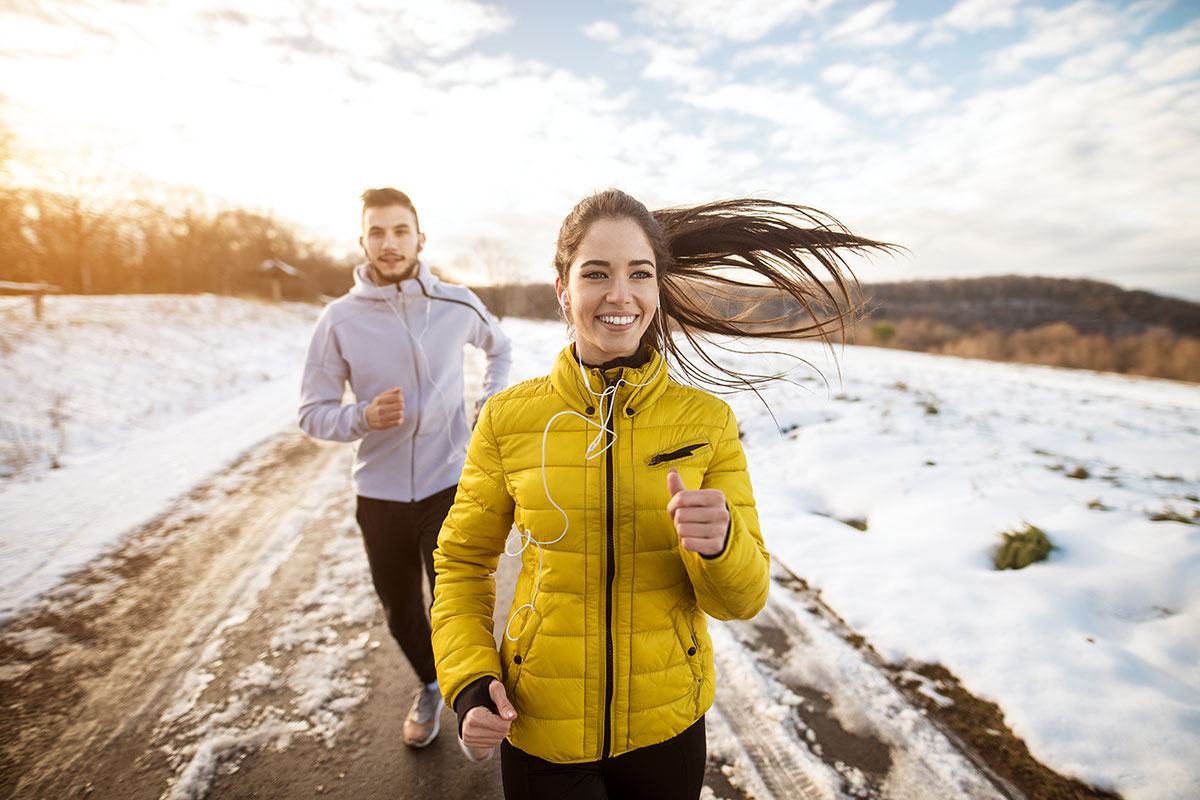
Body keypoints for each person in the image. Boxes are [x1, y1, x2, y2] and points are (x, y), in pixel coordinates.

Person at [430, 188, 894, 798]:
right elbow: (462, 563)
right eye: (596, 273)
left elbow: (744, 600)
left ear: (658, 288)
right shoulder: (508, 419)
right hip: (541, 723)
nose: (620, 294)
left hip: (667, 726)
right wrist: (468, 680)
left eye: (639, 273)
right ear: (563, 289)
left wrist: (721, 545)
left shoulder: (707, 422)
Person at [299, 187, 512, 748]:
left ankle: (470, 702)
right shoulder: (339, 320)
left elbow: (500, 347)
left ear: (420, 238)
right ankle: (430, 681)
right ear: (362, 241)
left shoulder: (456, 303)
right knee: (400, 612)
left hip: (448, 483)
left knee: (456, 602)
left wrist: (490, 399)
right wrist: (362, 416)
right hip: (381, 493)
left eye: (400, 231)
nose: (389, 243)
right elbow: (312, 413)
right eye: (377, 232)